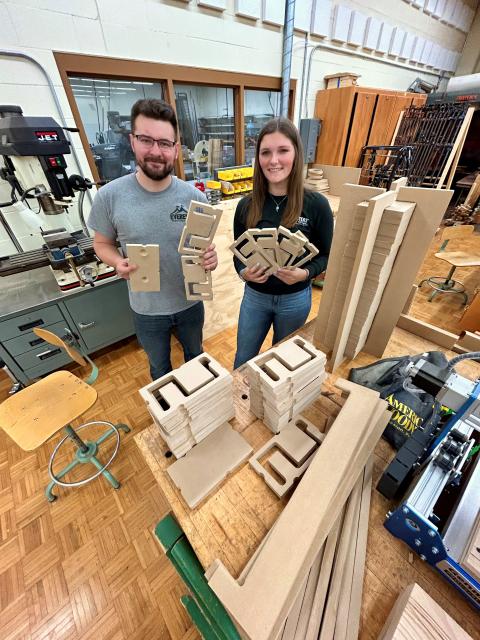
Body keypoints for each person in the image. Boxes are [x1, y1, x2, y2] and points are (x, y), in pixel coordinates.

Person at [88, 98, 218, 380]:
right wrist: (117, 262)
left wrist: (211, 258)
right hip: (147, 311)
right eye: (146, 140)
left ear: (176, 148)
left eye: (164, 143)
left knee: (196, 360)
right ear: (132, 141)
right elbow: (101, 244)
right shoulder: (109, 197)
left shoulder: (194, 197)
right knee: (159, 369)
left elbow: (203, 248)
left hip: (189, 304)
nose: (156, 151)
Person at [233, 117, 333, 369]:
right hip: (255, 298)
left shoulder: (316, 204)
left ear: (296, 154)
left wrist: (305, 273)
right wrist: (244, 273)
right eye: (266, 152)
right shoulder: (246, 206)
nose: (274, 160)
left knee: (282, 364)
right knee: (243, 361)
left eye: (283, 150)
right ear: (258, 158)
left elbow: (328, 255)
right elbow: (238, 254)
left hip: (295, 299)